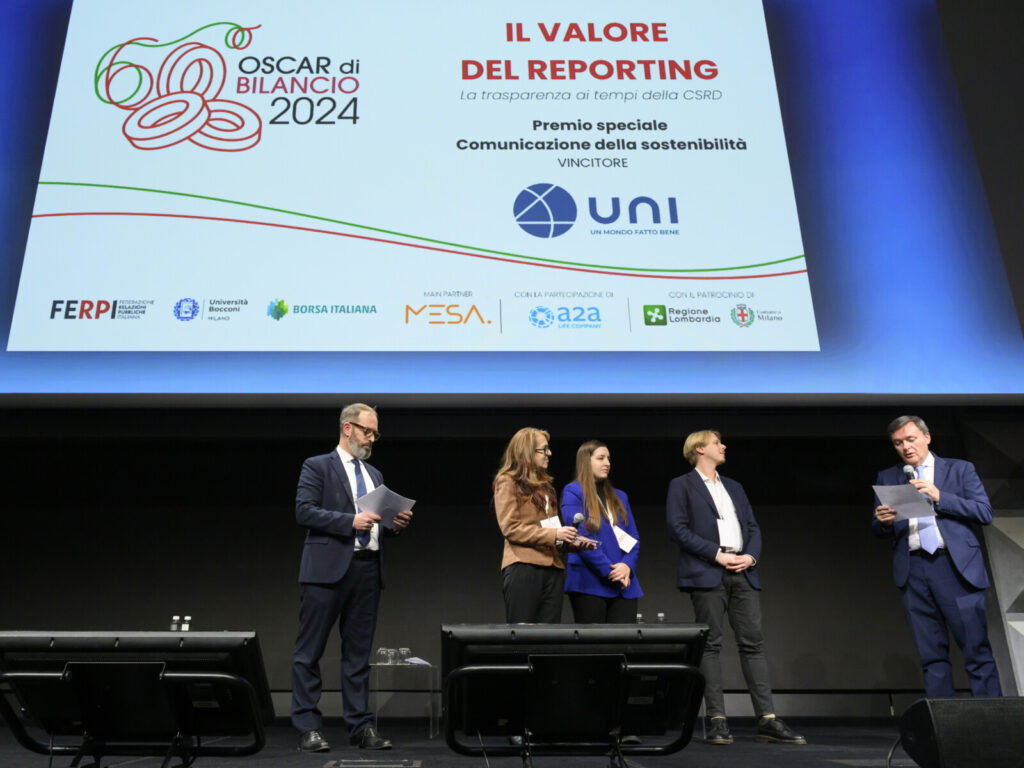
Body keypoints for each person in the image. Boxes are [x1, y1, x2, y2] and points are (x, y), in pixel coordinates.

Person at [666, 430, 805, 746]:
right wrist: (717, 555)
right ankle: (717, 720)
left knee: (753, 643)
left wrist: (750, 557)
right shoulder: (681, 485)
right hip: (708, 571)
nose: (723, 446)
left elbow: (752, 527)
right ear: (700, 449)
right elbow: (677, 529)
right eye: (717, 442)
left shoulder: (734, 486)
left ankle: (767, 719)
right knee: (711, 646)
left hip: (743, 572)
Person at [290, 404, 413, 753]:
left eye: (375, 433)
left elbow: (377, 523)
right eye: (366, 431)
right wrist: (349, 521)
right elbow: (304, 511)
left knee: (358, 655)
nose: (371, 438)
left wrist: (395, 524)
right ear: (347, 428)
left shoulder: (374, 474)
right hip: (326, 571)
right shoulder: (317, 465)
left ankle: (361, 727)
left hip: (368, 570)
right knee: (309, 652)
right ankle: (308, 727)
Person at [873, 415, 1001, 698]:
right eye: (898, 443)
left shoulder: (959, 469)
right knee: (931, 656)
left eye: (910, 439)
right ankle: (943, 721)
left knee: (976, 651)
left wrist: (940, 496)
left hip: (955, 569)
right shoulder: (889, 477)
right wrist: (883, 522)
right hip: (914, 571)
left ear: (926, 437)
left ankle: (993, 719)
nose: (906, 447)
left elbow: (984, 512)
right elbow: (879, 528)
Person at [494, 427, 582, 622]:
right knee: (523, 634)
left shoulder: (547, 487)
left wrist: (571, 542)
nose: (549, 453)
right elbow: (511, 529)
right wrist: (555, 535)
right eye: (544, 449)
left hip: (553, 569)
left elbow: (552, 532)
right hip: (524, 567)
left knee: (549, 636)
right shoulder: (507, 481)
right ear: (527, 451)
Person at [561, 440, 643, 622]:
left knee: (624, 639)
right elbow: (581, 537)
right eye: (601, 458)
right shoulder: (573, 491)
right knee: (594, 640)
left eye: (608, 458)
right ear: (586, 461)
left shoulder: (620, 496)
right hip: (589, 582)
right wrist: (611, 572)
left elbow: (633, 538)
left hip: (624, 583)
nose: (607, 463)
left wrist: (627, 566)